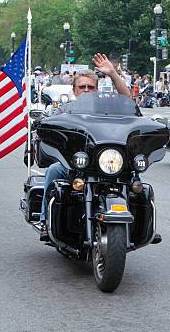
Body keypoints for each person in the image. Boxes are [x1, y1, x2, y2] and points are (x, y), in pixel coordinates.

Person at [39, 53, 130, 241]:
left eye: (91, 87)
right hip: (75, 164)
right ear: (74, 90)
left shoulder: (108, 107)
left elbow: (127, 99)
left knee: (135, 180)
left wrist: (112, 73)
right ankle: (45, 221)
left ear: (97, 89)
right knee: (54, 171)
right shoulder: (65, 110)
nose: (86, 90)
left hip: (105, 162)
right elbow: (50, 126)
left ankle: (136, 225)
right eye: (82, 87)